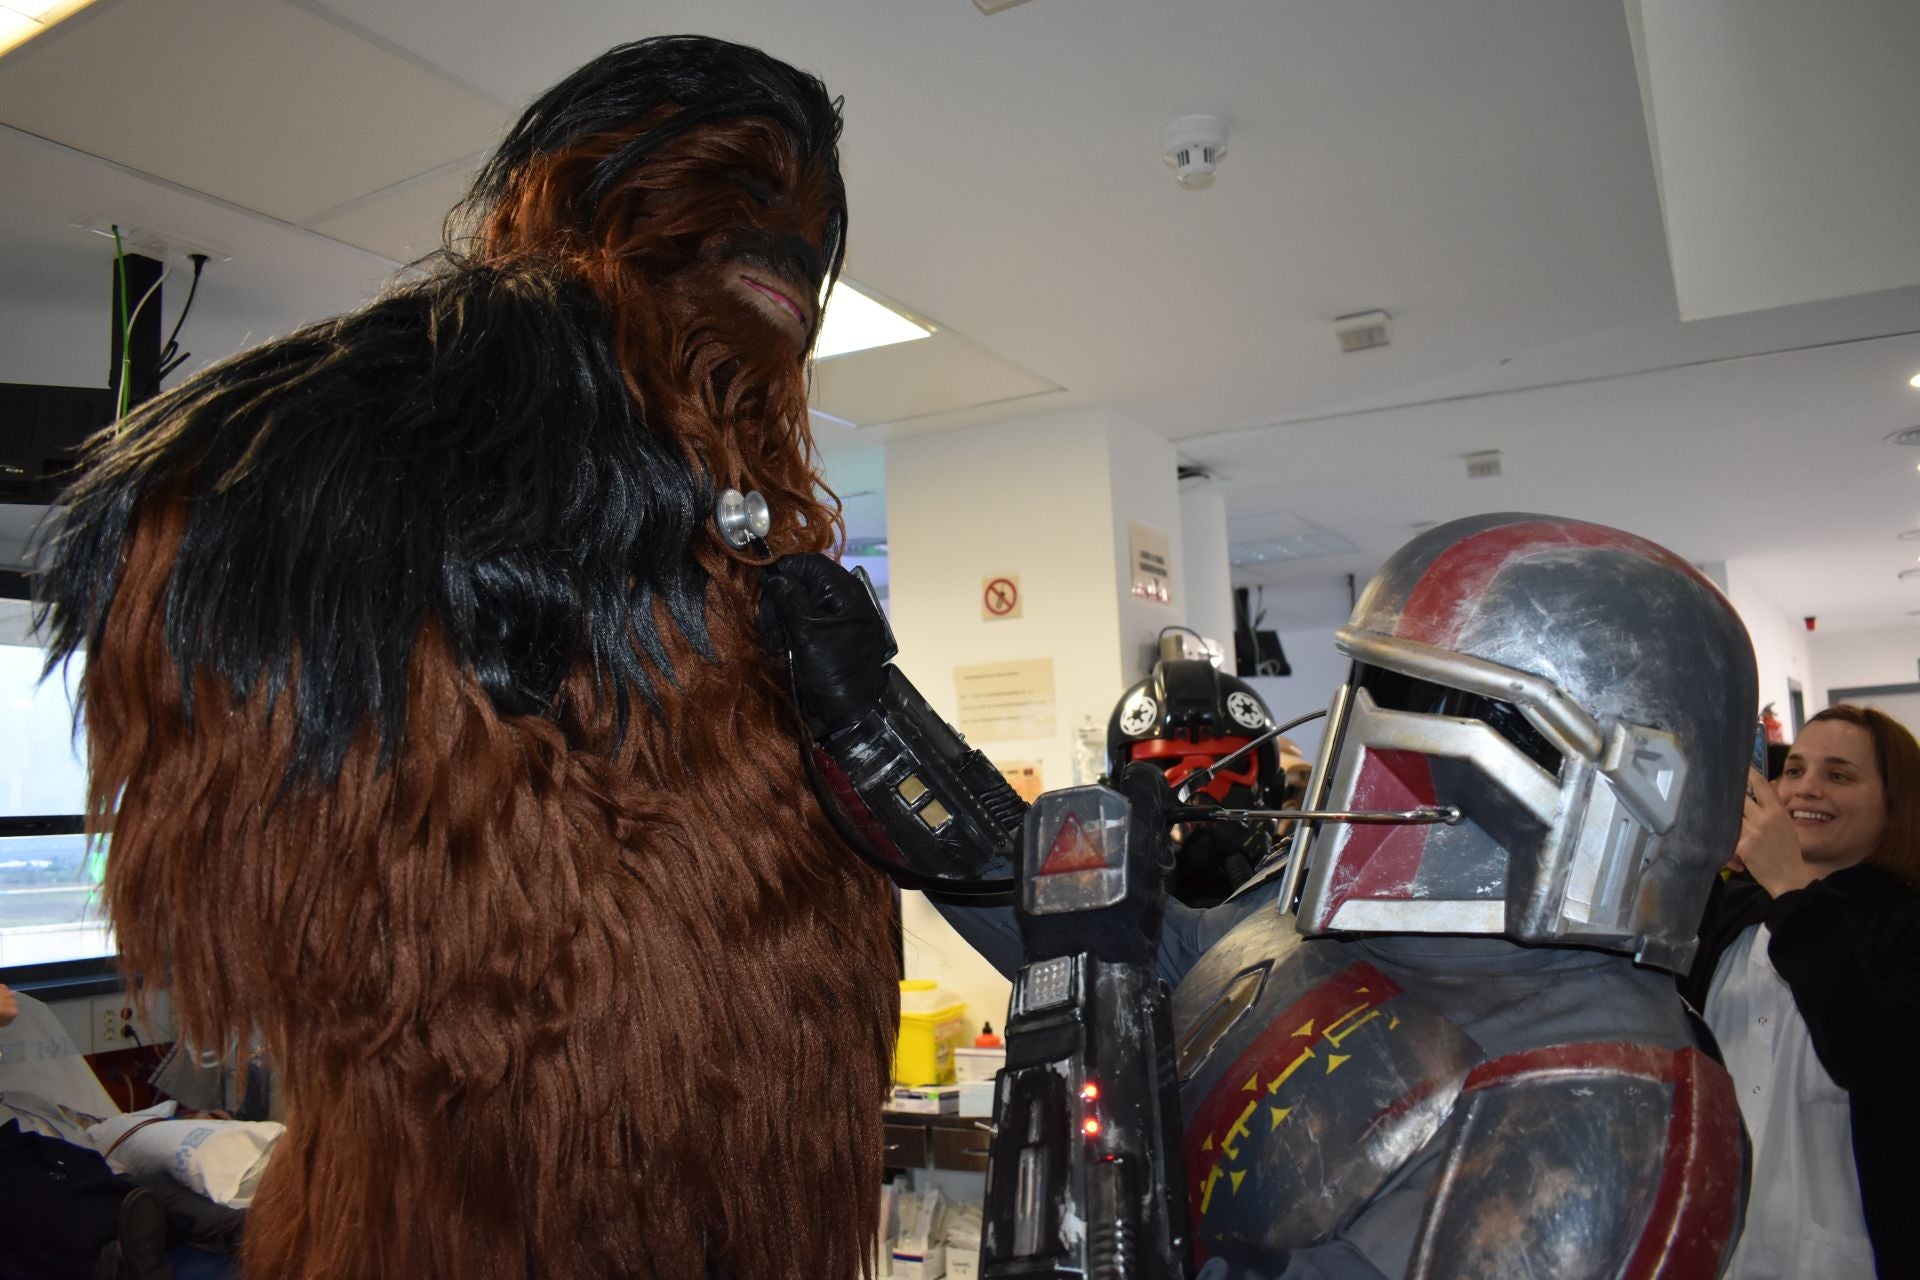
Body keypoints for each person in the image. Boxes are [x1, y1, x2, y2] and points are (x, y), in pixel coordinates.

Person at [35, 36, 898, 1280]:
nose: (793, 250)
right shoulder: (417, 433)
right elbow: (159, 542)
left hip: (756, 1207)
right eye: (737, 192)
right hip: (481, 1207)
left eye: (815, 233)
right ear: (570, 207)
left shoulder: (760, 556)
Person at [769, 512, 1756, 1277]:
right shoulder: (1304, 939)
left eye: (1421, 710)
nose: (1360, 742)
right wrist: (863, 708)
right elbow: (1009, 880)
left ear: (1614, 777)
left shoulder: (1609, 1101)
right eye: (1373, 690)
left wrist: (1095, 988)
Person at [1681, 705, 1920, 1278]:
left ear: (1896, 804)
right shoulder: (1735, 910)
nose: (1805, 789)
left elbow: (1878, 1059)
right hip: (1718, 1245)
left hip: (1844, 1254)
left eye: (1839, 775)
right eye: (1795, 771)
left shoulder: (1904, 924)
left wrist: (1792, 885)